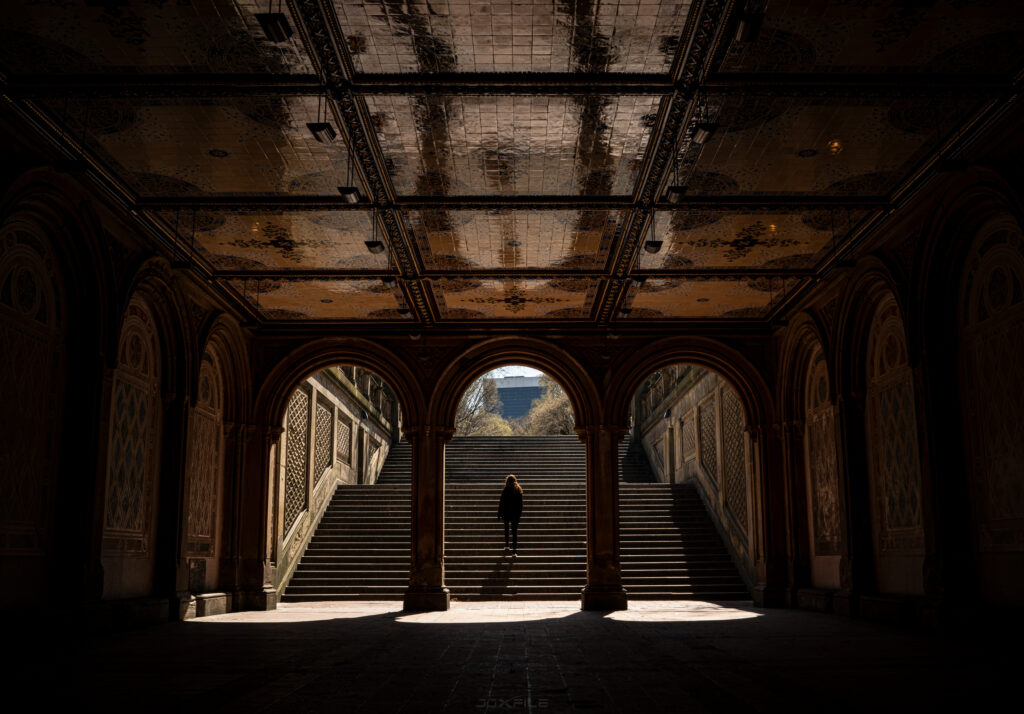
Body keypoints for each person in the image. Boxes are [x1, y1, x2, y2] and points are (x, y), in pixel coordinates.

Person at [497, 473, 524, 557]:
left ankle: (507, 545)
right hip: (515, 514)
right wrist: (519, 515)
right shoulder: (518, 490)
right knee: (514, 532)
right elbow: (520, 505)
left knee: (506, 529)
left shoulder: (505, 490)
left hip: (506, 513)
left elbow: (501, 503)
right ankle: (514, 551)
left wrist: (499, 513)